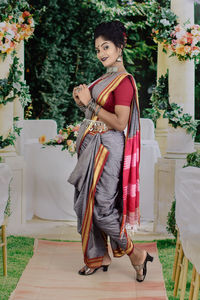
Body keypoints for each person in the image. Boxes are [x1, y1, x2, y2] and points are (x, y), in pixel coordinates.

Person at [68, 20, 153, 282]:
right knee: (85, 204)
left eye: (106, 47)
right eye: (97, 49)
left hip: (108, 149)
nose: (101, 53)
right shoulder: (105, 78)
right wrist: (82, 103)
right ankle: (99, 256)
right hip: (93, 147)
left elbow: (118, 123)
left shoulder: (123, 82)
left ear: (119, 47)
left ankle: (135, 254)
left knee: (101, 208)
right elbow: (95, 113)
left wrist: (89, 103)